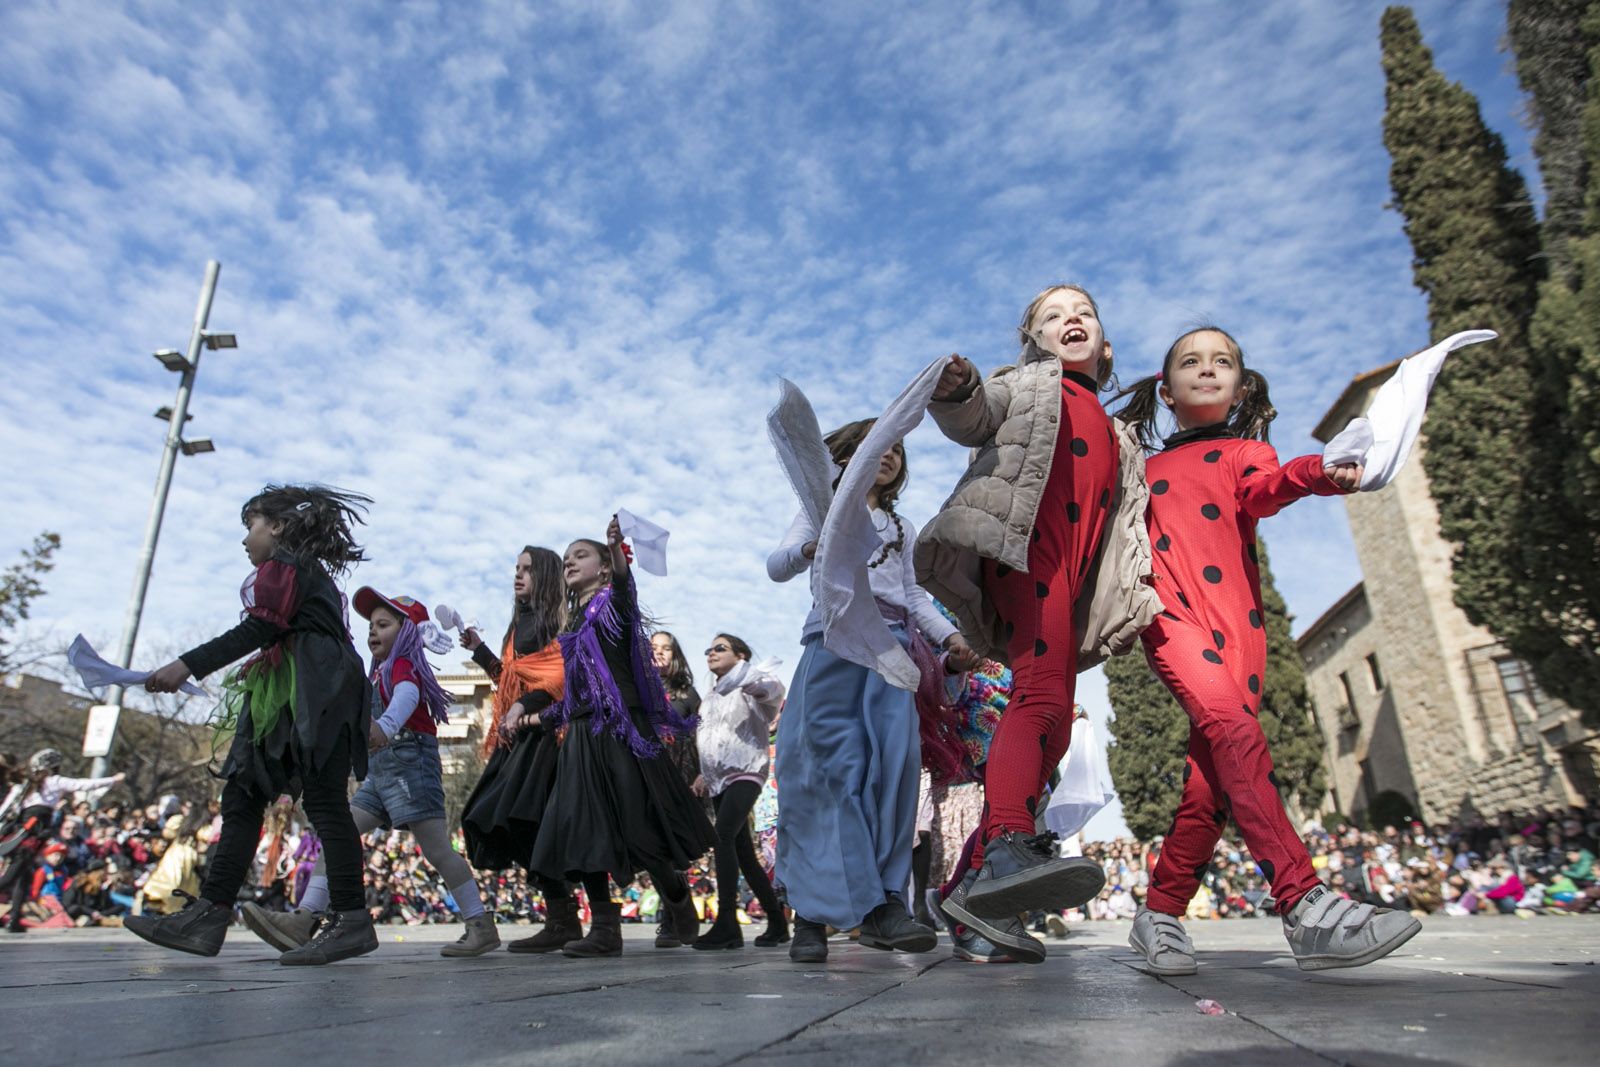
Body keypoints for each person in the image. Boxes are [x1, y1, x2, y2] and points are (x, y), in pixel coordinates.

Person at [1113, 327, 1421, 974]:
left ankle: (1160, 912)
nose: (1207, 369)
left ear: (1242, 386)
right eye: (1190, 362)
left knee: (1211, 785)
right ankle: (1304, 900)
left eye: (1222, 361)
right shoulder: (1138, 470)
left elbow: (1270, 486)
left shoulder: (1247, 453)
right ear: (1165, 392)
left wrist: (1322, 471)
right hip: (1170, 619)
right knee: (1232, 732)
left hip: (1243, 633)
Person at [918, 284, 1160, 963]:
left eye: (1082, 312)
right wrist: (959, 388)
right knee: (1040, 698)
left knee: (1051, 735)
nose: (1070, 320)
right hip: (1026, 553)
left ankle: (972, 903)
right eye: (1053, 316)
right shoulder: (1020, 385)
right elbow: (973, 416)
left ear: (1105, 345)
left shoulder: (1119, 432)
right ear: (1033, 339)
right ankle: (1003, 848)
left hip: (1071, 581)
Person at [129, 484, 377, 966]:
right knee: (243, 792)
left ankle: (350, 920)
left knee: (324, 801)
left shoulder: (285, 565)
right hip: (293, 687)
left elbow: (260, 626)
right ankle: (210, 913)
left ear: (277, 527)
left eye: (251, 526)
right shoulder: (302, 572)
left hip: (315, 689)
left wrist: (188, 663)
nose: (245, 539)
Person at [769, 421, 978, 963]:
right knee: (829, 777)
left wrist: (953, 638)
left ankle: (888, 902)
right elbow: (776, 565)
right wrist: (811, 548)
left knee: (894, 776)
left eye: (898, 449)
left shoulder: (902, 527)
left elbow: (913, 597)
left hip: (893, 657)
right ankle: (811, 918)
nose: (889, 456)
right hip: (833, 646)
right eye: (878, 446)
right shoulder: (824, 510)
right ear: (849, 456)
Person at [243, 588, 500, 957]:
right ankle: (305, 918)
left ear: (407, 630)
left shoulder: (402, 665)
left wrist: (387, 725)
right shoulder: (378, 670)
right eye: (370, 625)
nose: (372, 631)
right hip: (381, 772)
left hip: (411, 763)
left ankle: (480, 924)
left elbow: (408, 695)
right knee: (338, 832)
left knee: (438, 850)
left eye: (383, 624)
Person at [526, 515, 715, 958]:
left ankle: (674, 893)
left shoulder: (614, 603)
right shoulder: (570, 628)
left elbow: (628, 591)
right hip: (580, 735)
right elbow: (573, 695)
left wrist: (616, 549)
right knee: (578, 828)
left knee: (638, 826)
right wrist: (538, 720)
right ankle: (604, 929)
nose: (570, 561)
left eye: (581, 555)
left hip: (622, 731)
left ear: (605, 567)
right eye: (568, 556)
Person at [460, 545, 569, 952]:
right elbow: (509, 680)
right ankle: (561, 914)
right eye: (516, 568)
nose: (518, 575)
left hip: (543, 737)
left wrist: (522, 708)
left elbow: (555, 680)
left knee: (524, 820)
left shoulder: (552, 622)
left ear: (545, 575)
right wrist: (479, 650)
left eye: (527, 569)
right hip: (514, 738)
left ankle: (564, 917)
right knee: (487, 816)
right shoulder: (515, 625)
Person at [692, 632, 788, 949]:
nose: (711, 653)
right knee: (744, 854)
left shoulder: (754, 682)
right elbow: (708, 740)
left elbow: (772, 693)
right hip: (718, 780)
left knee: (721, 836)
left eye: (720, 648)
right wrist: (703, 774)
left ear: (741, 655)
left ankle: (727, 923)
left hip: (746, 771)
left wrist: (748, 678)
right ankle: (777, 922)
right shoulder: (710, 696)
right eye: (709, 649)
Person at [1, 749, 124, 934]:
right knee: (11, 877)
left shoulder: (24, 785)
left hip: (22, 834)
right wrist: (112, 780)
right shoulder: (52, 782)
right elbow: (81, 785)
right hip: (32, 836)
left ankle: (15, 919)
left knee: (23, 877)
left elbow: (4, 810)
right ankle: (14, 919)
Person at [650, 630, 711, 947]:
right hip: (644, 780)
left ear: (675, 656)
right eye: (653, 647)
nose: (659, 653)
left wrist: (702, 774)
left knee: (671, 851)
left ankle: (672, 919)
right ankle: (674, 914)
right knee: (652, 849)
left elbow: (702, 737)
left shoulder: (688, 694)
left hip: (679, 783)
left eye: (666, 648)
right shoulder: (634, 689)